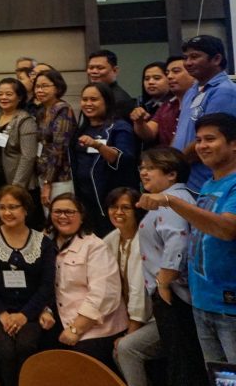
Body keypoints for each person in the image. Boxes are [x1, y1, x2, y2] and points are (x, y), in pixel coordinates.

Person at [138, 113, 236, 364]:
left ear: (233, 143)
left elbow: (227, 229)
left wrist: (171, 201)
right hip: (203, 301)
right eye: (199, 139)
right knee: (219, 379)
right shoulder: (208, 186)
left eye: (210, 139)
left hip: (230, 306)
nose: (201, 146)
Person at [124, 147, 207, 384]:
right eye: (142, 168)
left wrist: (163, 281)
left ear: (171, 174)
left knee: (183, 364)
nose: (144, 173)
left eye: (151, 168)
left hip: (176, 294)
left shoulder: (173, 199)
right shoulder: (167, 199)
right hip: (174, 293)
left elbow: (177, 239)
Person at [0, 185, 55, 386]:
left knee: (26, 347)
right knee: (6, 351)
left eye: (13, 207)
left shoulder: (43, 242)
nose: (7, 213)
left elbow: (46, 283)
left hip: (30, 309)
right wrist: (2, 313)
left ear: (25, 209)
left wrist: (24, 315)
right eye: (2, 207)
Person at [45, 194, 128, 370]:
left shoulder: (94, 246)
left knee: (82, 363)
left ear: (82, 216)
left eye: (69, 212)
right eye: (57, 211)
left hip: (97, 328)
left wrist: (76, 329)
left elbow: (104, 294)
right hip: (61, 320)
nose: (62, 216)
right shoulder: (46, 245)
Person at [103, 187, 156, 386]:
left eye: (125, 207)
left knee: (125, 348)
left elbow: (138, 291)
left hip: (156, 318)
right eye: (114, 207)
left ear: (137, 210)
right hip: (126, 316)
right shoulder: (111, 239)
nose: (118, 212)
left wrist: (131, 331)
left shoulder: (144, 239)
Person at [73, 82, 139, 235]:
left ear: (107, 101)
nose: (88, 103)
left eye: (94, 99)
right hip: (85, 199)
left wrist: (98, 146)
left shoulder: (119, 127)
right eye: (85, 99)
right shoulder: (81, 129)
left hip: (111, 200)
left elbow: (124, 159)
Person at [172, 35, 236, 191]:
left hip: (207, 181)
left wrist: (173, 165)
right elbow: (181, 131)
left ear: (216, 59)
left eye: (195, 57)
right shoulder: (191, 90)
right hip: (185, 178)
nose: (188, 63)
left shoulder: (225, 91)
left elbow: (210, 138)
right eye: (185, 58)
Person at [0, 78, 40, 229]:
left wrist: (17, 187)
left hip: (19, 185)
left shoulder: (25, 120)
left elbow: (28, 156)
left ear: (20, 97)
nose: (3, 97)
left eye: (8, 94)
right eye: (0, 94)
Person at [33, 70, 77, 207]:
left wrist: (48, 183)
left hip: (59, 177)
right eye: (37, 86)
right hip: (43, 173)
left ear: (57, 87)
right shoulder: (41, 110)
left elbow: (59, 148)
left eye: (45, 86)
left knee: (60, 214)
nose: (40, 90)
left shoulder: (62, 109)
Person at [132, 56, 194, 148]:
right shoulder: (167, 106)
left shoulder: (202, 101)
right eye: (167, 73)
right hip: (170, 160)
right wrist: (139, 122)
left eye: (176, 71)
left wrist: (176, 157)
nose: (169, 76)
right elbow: (149, 134)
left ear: (193, 74)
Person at [86, 50, 136, 120]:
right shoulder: (95, 93)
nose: (94, 71)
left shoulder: (119, 100)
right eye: (91, 68)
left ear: (115, 70)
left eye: (100, 68)